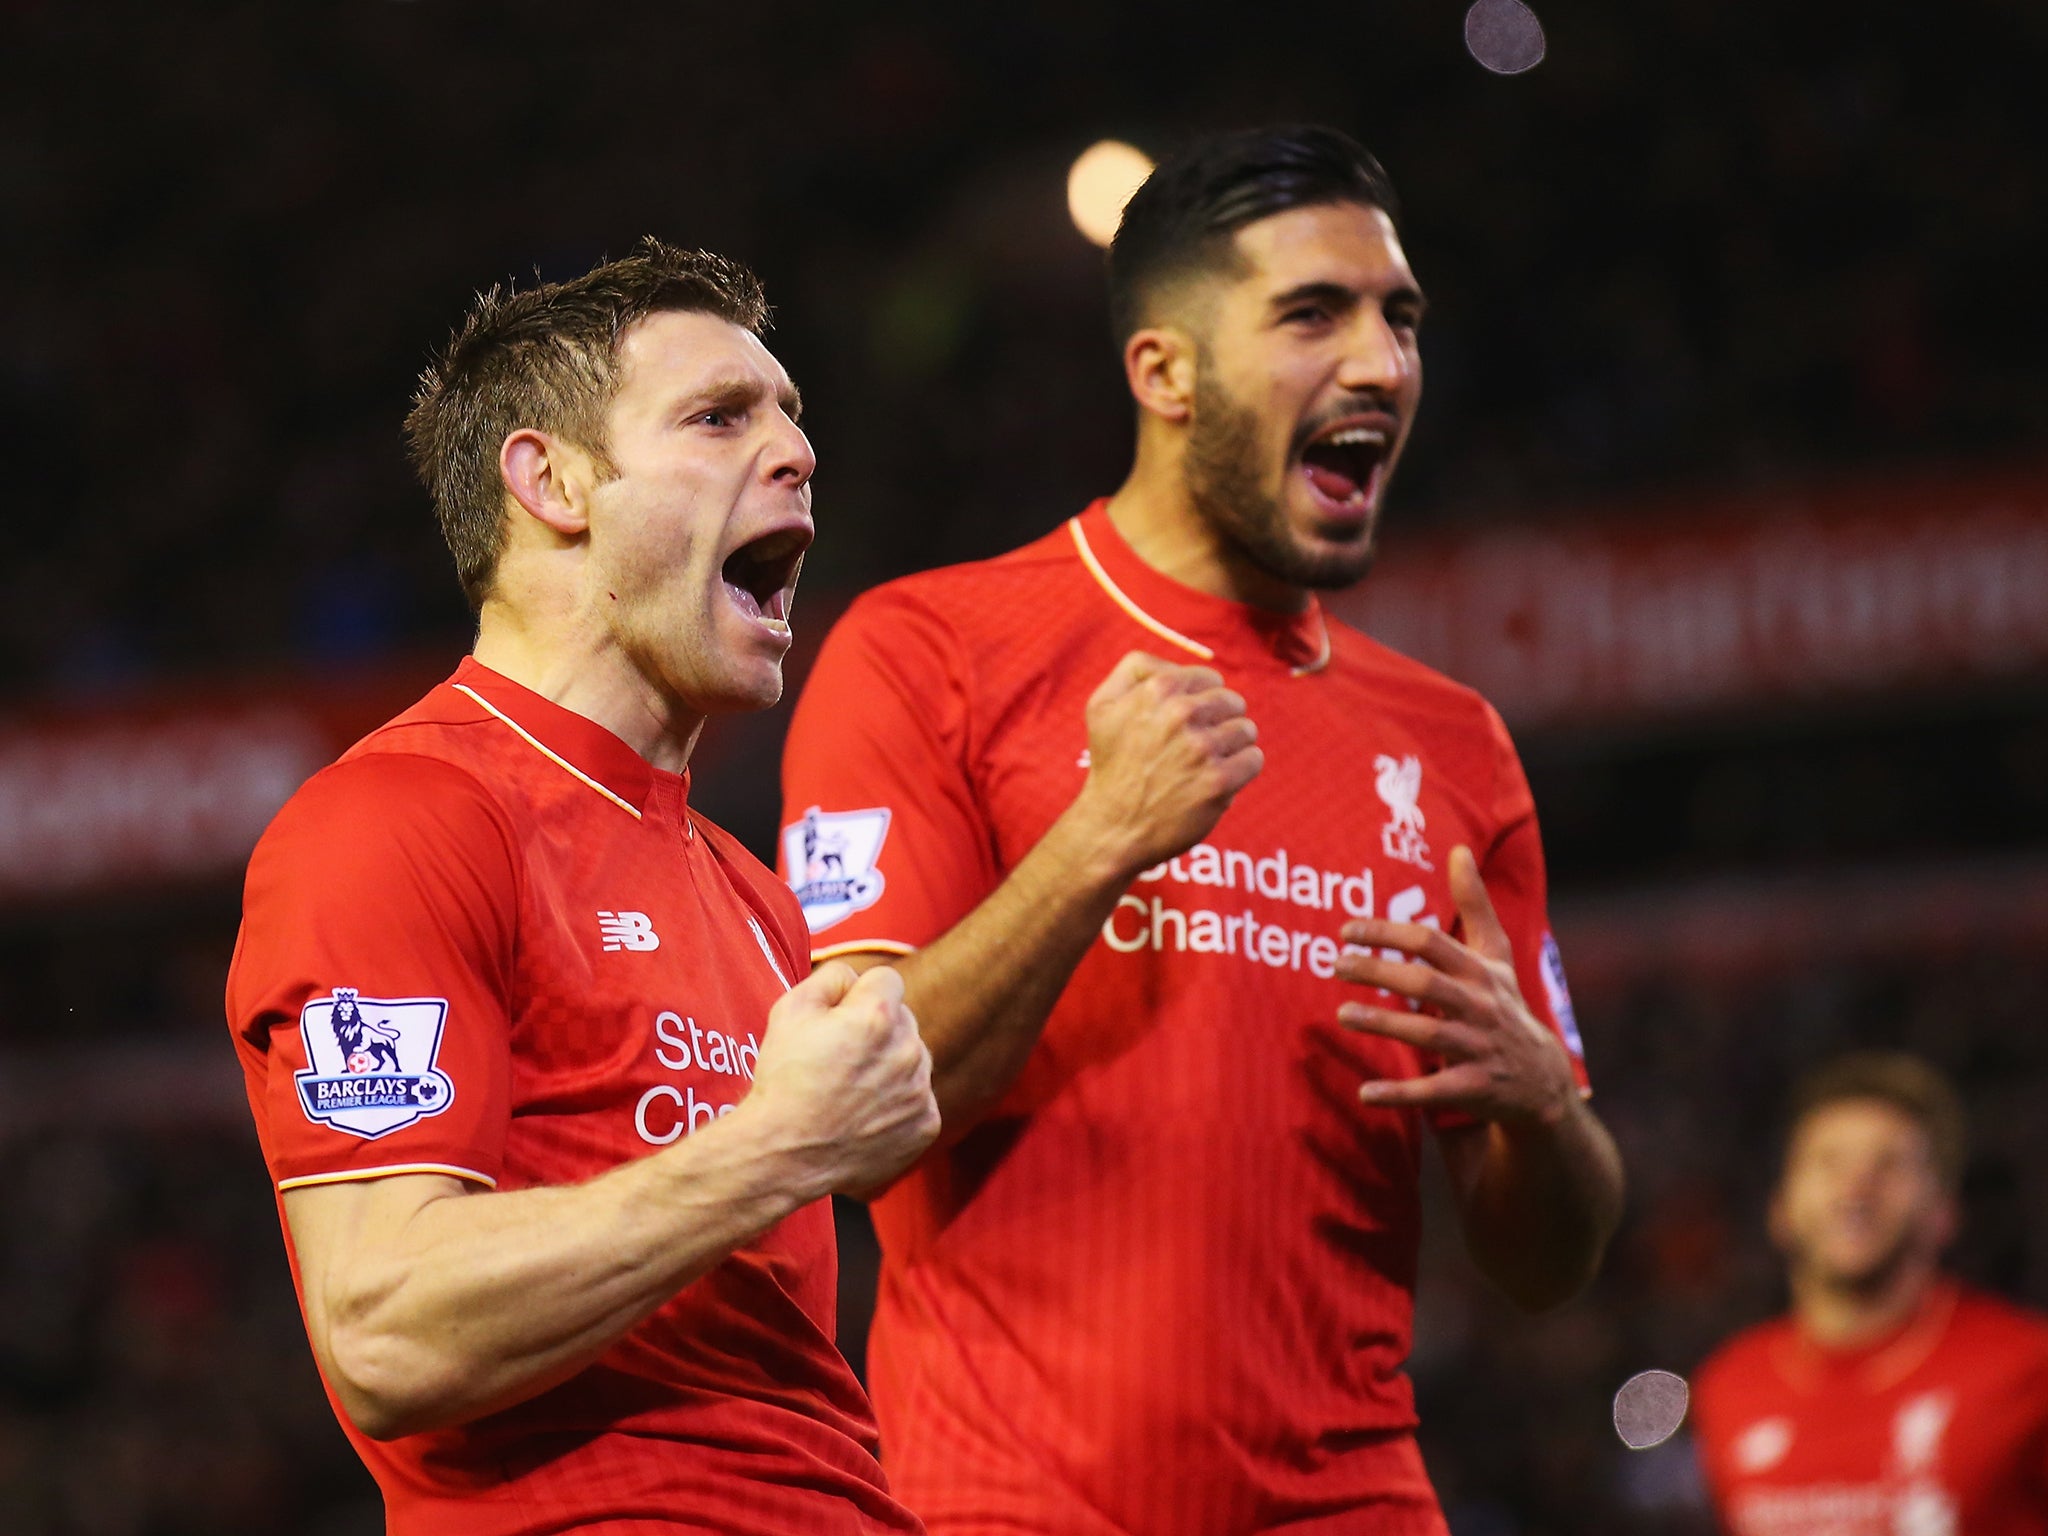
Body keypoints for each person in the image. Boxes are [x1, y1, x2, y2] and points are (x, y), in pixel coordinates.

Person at [776, 126, 1625, 1535]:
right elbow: (857, 1120)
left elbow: (1549, 1261)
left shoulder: (1453, 744)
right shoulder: (931, 651)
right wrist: (1098, 839)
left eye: (1399, 318)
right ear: (1163, 373)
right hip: (1008, 1508)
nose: (1381, 364)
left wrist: (1540, 1104)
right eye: (1313, 315)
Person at [226, 239, 940, 1535]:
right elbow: (386, 1332)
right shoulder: (399, 821)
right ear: (549, 481)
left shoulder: (749, 894)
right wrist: (782, 1143)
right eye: (721, 417)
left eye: (791, 418)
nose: (795, 452)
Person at [1692, 1052, 2048, 1536]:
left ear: (1944, 1211)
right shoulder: (1728, 1386)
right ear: (1779, 1208)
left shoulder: (2027, 1368)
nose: (1856, 1185)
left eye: (1890, 1163)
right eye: (1828, 1161)